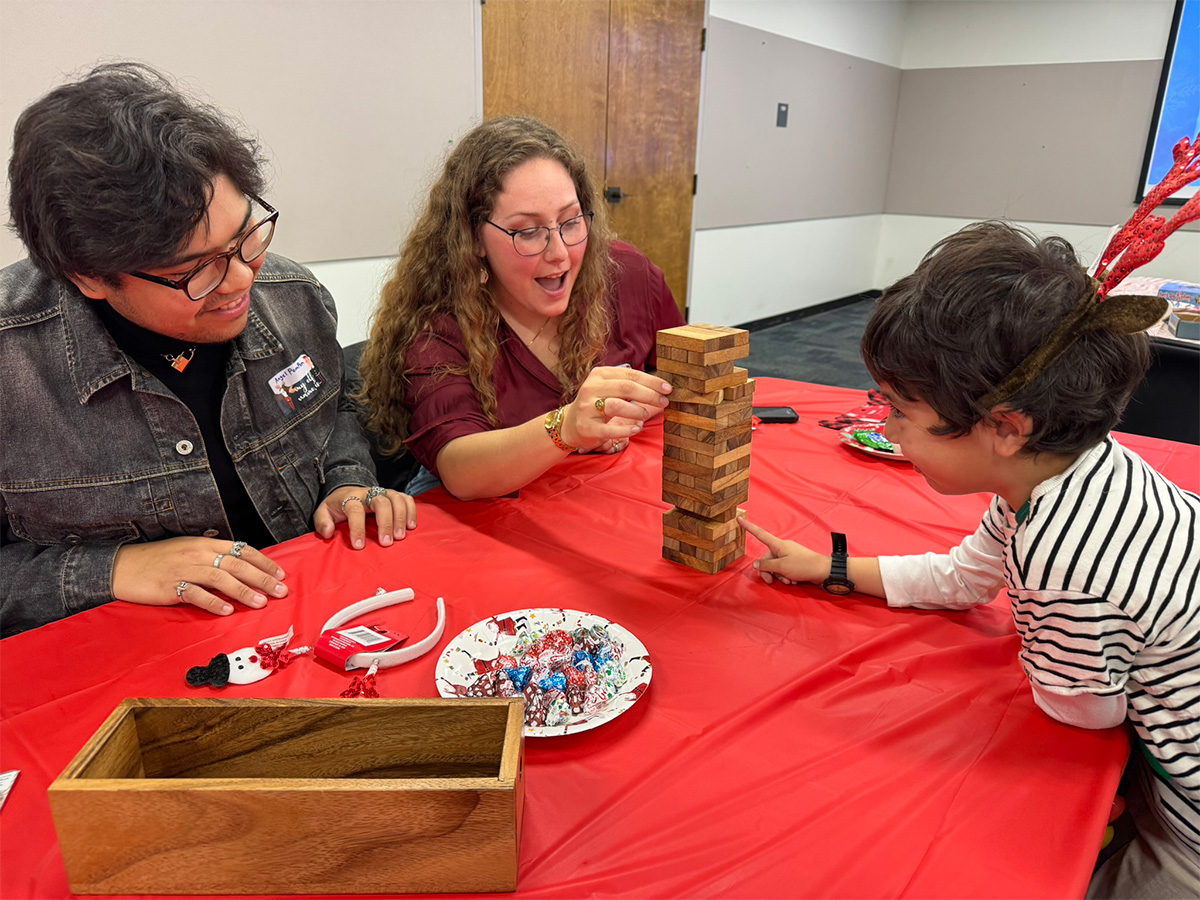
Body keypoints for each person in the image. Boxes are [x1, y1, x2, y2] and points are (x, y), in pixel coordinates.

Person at [739, 222, 1200, 898]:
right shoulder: (1071, 468)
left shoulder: (1063, 555)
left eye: (900, 412)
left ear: (1006, 428)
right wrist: (830, 567)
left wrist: (1046, 645)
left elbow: (1084, 713)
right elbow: (964, 577)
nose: (889, 429)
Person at [0, 63, 416, 638]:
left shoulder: (293, 299)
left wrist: (345, 480)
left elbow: (332, 411)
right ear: (90, 276)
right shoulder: (12, 364)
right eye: (196, 271)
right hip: (125, 670)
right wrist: (112, 570)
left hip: (314, 627)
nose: (242, 280)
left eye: (247, 236)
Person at [357, 116, 683, 500]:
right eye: (528, 232)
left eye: (571, 221)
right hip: (489, 516)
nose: (559, 254)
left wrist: (628, 412)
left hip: (606, 498)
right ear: (474, 239)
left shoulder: (628, 275)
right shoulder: (439, 328)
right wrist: (566, 428)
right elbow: (461, 469)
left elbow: (682, 378)